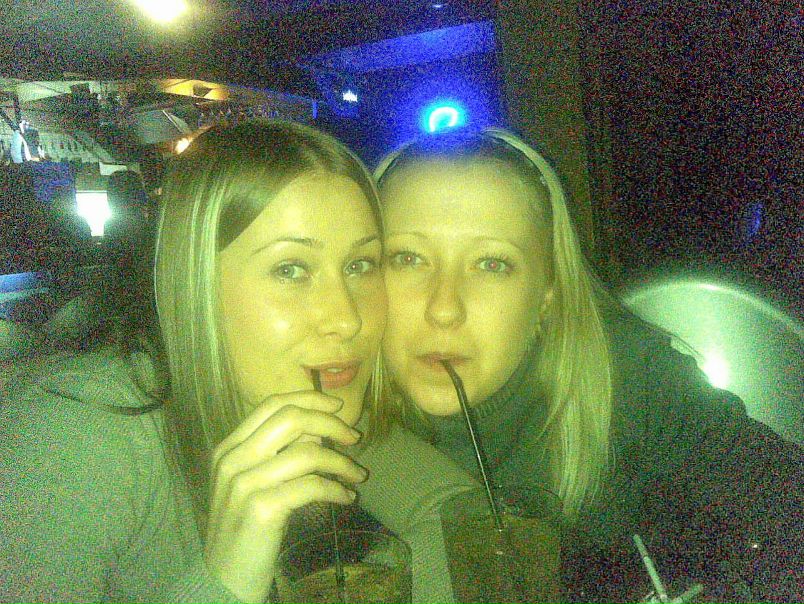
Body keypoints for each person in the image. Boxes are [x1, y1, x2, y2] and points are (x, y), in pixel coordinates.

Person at [0, 120, 473, 604]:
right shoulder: (72, 435)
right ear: (197, 287)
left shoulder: (313, 408)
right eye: (291, 269)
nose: (347, 319)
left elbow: (458, 514)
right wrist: (225, 581)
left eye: (360, 265)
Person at [372, 127, 802, 603]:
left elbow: (780, 506)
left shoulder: (629, 378)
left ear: (546, 294)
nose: (444, 308)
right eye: (407, 258)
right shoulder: (329, 426)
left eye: (492, 264)